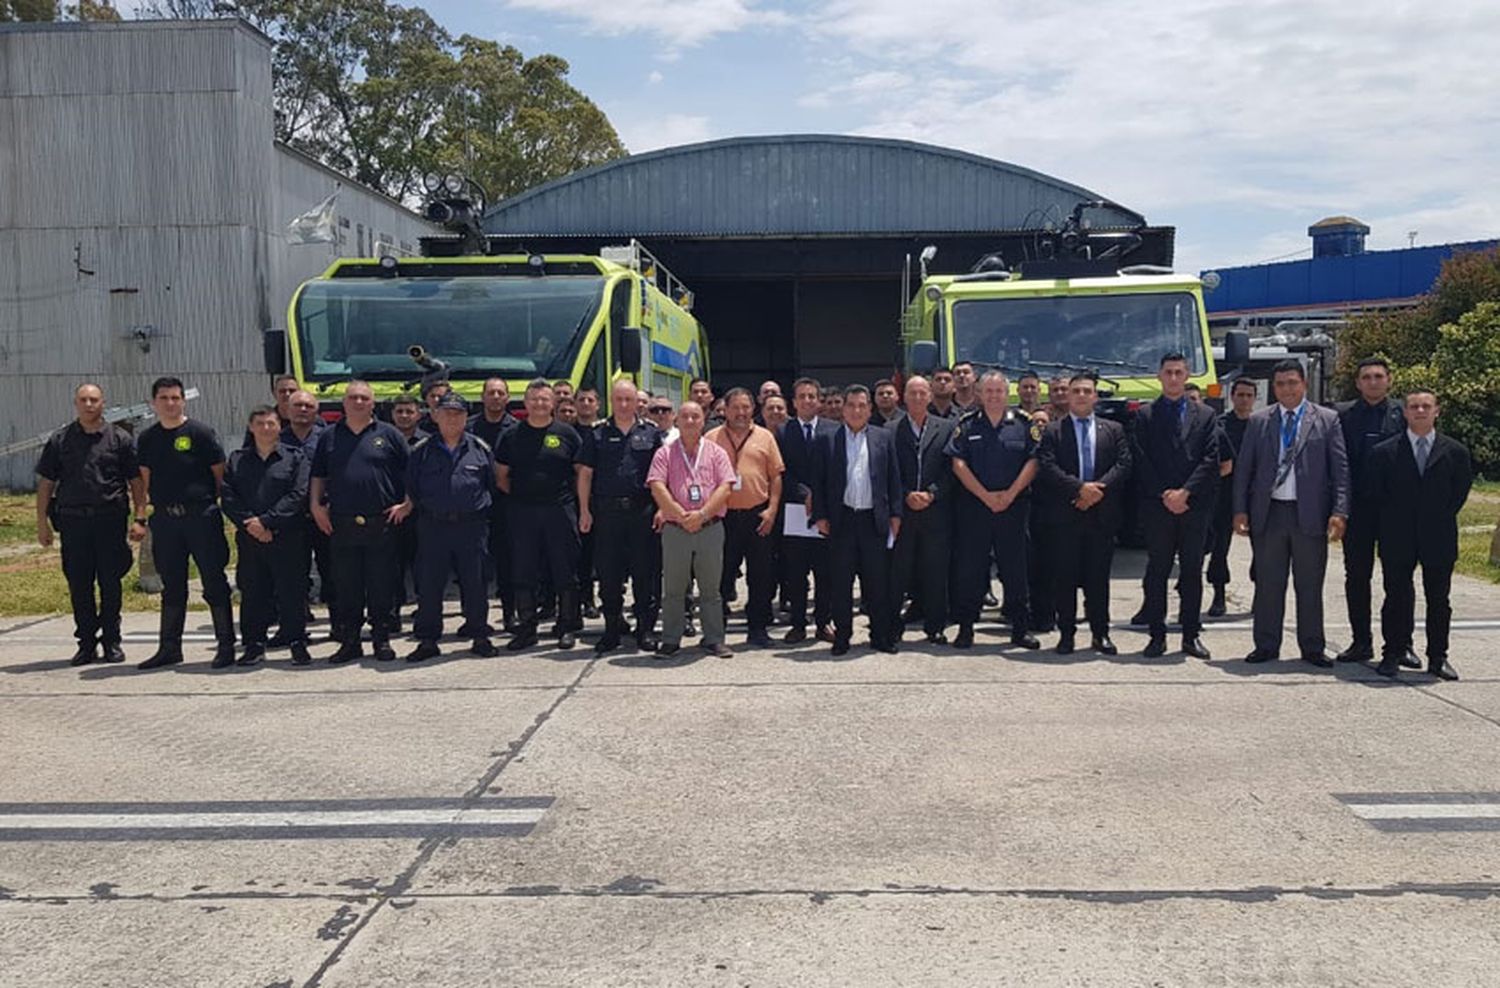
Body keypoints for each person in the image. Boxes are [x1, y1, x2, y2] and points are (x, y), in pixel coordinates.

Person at [1233, 359, 1349, 668]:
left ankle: (1312, 647)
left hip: (1309, 514)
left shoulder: (1326, 419)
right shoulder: (1259, 421)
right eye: (1281, 384)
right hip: (1269, 514)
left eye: (1292, 383)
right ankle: (1266, 645)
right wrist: (1240, 510)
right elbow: (1244, 469)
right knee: (1269, 584)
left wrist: (1340, 511)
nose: (1287, 389)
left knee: (1309, 585)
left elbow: (1340, 471)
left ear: (1304, 384)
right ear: (1274, 388)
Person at [34, 382, 146, 666]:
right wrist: (42, 523)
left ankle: (111, 641)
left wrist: (140, 518)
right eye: (83, 400)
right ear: (76, 404)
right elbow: (46, 483)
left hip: (109, 520)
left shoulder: (119, 439)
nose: (88, 405)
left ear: (102, 404)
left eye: (93, 400)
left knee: (110, 583)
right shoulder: (60, 440)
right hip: (73, 522)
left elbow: (135, 482)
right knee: (79, 585)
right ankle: (86, 644)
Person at [1367, 390, 1472, 680]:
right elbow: (1377, 494)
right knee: (1396, 596)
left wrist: (1436, 516)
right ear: (1405, 412)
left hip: (1438, 535)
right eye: (1414, 407)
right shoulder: (1384, 452)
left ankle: (1438, 657)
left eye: (1426, 406)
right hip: (1397, 536)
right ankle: (1393, 653)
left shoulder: (1455, 452)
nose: (1420, 411)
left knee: (1439, 599)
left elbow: (1458, 493)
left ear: (1437, 411)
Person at [135, 376, 236, 670]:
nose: (170, 403)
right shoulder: (148, 439)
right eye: (164, 398)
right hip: (166, 520)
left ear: (183, 400)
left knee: (214, 580)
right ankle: (169, 647)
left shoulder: (201, 433)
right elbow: (143, 481)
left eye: (175, 398)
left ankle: (226, 645)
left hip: (200, 517)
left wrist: (214, 509)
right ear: (154, 403)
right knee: (172, 584)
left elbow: (220, 476)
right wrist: (141, 517)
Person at [310, 381, 410, 664]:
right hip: (341, 523)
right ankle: (350, 642)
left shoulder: (389, 435)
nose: (358, 402)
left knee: (381, 585)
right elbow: (318, 475)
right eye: (353, 397)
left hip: (382, 522)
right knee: (347, 586)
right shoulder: (329, 437)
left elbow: (412, 472)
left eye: (363, 398)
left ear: (373, 403)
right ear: (344, 402)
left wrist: (408, 503)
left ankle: (381, 640)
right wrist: (315, 505)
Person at [1036, 372, 1131, 655]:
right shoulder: (1053, 431)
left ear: (1095, 396)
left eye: (1086, 391)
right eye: (1075, 390)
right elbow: (1047, 466)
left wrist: (1096, 491)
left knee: (1098, 579)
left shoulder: (1112, 429)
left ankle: (1100, 634)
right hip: (1067, 515)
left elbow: (1124, 464)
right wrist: (1079, 490)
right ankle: (1067, 634)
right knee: (1064, 579)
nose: (1080, 395)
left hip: (1101, 517)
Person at [400, 392, 497, 662]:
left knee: (475, 583)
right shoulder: (421, 451)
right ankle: (428, 640)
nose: (452, 418)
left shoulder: (480, 449)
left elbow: (491, 485)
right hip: (434, 526)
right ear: (435, 415)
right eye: (447, 413)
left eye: (458, 413)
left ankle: (479, 635)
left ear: (466, 417)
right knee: (430, 585)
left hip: (471, 527)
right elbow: (412, 486)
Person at [1132, 353, 1218, 660]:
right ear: (1159, 376)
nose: (1173, 377)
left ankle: (1190, 635)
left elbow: (1210, 459)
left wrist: (1185, 493)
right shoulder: (1145, 415)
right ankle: (1157, 635)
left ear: (1186, 375)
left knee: (1192, 571)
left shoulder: (1206, 415)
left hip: (1194, 507)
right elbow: (1141, 460)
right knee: (1157, 570)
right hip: (1158, 507)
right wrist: (1165, 495)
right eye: (1167, 372)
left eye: (1178, 372)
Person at [947, 370, 1040, 650]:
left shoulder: (1024, 424)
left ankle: (1020, 628)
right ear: (979, 393)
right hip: (976, 508)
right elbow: (957, 464)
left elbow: (1034, 461)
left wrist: (1010, 495)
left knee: (1015, 569)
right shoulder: (967, 425)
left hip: (1013, 508)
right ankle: (965, 628)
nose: (994, 396)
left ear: (1007, 393)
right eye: (988, 391)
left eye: (999, 391)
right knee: (971, 570)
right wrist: (986, 496)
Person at [496, 379, 586, 650]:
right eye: (534, 399)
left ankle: (566, 625)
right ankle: (526, 627)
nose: (539, 404)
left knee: (565, 570)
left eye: (545, 399)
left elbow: (580, 472)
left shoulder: (567, 434)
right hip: (523, 512)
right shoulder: (511, 435)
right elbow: (501, 476)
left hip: (560, 510)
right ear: (525, 403)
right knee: (523, 570)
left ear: (553, 403)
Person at [812, 385, 902, 655]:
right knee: (840, 583)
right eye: (851, 405)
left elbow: (893, 480)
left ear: (869, 409)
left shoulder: (883, 437)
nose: (856, 410)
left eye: (862, 405)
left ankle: (880, 636)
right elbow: (819, 482)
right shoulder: (827, 439)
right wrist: (820, 516)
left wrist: (896, 515)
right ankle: (843, 636)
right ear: (843, 408)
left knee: (877, 583)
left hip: (873, 521)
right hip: (842, 521)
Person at [221, 406, 312, 667]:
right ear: (251, 427)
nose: (265, 428)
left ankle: (297, 642)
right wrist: (252, 524)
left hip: (287, 536)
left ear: (279, 427)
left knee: (292, 591)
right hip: (250, 538)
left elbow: (298, 495)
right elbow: (228, 496)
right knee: (253, 592)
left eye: (271, 423)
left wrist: (267, 521)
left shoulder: (295, 458)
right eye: (259, 423)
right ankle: (253, 645)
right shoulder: (237, 459)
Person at [1335, 357, 1410, 664]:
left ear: (1389, 380)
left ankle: (1401, 644)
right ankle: (1360, 642)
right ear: (1358, 383)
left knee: (1399, 579)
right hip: (1358, 510)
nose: (1373, 381)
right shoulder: (1343, 416)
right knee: (1356, 577)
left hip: (1395, 510)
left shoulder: (1404, 414)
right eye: (1366, 377)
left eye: (1378, 376)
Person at [580, 379, 663, 654]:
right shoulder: (597, 433)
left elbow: (661, 475)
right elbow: (586, 475)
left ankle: (645, 630)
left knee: (645, 573)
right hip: (607, 515)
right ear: (611, 402)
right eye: (619, 400)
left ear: (637, 402)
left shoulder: (650, 433)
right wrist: (584, 510)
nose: (625, 405)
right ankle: (612, 629)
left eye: (629, 399)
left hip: (642, 513)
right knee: (609, 574)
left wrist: (663, 507)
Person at [648, 400, 736, 658]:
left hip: (709, 527)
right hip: (676, 529)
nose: (689, 421)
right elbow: (656, 485)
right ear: (677, 420)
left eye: (695, 416)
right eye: (685, 416)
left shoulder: (716, 452)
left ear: (703, 420)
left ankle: (714, 638)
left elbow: (726, 487)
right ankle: (671, 639)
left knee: (711, 589)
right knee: (674, 589)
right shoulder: (665, 453)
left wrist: (702, 514)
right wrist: (679, 513)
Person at [706, 388, 785, 648]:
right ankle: (716, 631)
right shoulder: (711, 438)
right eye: (735, 407)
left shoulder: (765, 437)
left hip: (757, 516)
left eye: (746, 407)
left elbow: (776, 476)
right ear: (725, 409)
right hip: (722, 517)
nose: (741, 413)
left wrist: (772, 510)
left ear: (753, 409)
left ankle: (758, 628)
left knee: (760, 575)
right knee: (720, 575)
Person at [885, 375, 954, 644]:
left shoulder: (947, 428)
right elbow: (886, 471)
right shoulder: (890, 430)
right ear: (904, 397)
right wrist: (904, 495)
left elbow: (952, 469)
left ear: (929, 396)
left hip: (935, 512)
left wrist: (932, 494)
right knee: (898, 572)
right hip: (902, 513)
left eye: (921, 393)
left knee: (935, 571)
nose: (916, 398)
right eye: (912, 393)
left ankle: (934, 626)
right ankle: (892, 626)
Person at [776, 378, 839, 644]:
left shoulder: (834, 430)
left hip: (825, 511)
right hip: (794, 511)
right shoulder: (781, 432)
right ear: (794, 402)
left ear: (819, 401)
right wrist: (804, 494)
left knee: (825, 572)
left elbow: (837, 470)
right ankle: (798, 624)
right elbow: (780, 471)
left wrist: (819, 496)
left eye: (812, 396)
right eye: (801, 396)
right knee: (796, 573)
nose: (807, 401)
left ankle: (823, 623)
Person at [468, 377, 518, 629]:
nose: (496, 397)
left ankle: (510, 613)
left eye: (500, 393)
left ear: (507, 398)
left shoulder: (517, 429)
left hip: (506, 505)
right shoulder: (469, 429)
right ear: (483, 397)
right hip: (475, 506)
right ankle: (473, 619)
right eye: (491, 392)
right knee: (474, 566)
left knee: (508, 562)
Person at [1206, 378, 1257, 616]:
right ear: (1232, 396)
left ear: (1255, 399)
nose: (1244, 399)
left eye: (1249, 395)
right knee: (1220, 547)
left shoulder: (1263, 424)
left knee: (1264, 549)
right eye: (1240, 395)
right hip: (1224, 493)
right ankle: (1218, 595)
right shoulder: (1220, 424)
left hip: (1256, 494)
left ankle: (1261, 594)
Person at [1015, 370, 1054, 634]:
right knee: (1024, 563)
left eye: (1033, 387)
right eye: (1024, 387)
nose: (1039, 426)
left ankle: (1047, 613)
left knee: (1049, 565)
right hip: (1023, 508)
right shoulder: (1016, 429)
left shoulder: (1055, 441)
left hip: (1050, 511)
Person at [386, 394, 425, 632]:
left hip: (422, 514)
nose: (404, 415)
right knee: (391, 567)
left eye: (409, 411)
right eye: (399, 411)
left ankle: (425, 612)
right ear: (392, 415)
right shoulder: (382, 439)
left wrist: (411, 503)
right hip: (391, 513)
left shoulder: (429, 442)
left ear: (418, 414)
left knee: (423, 566)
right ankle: (392, 615)